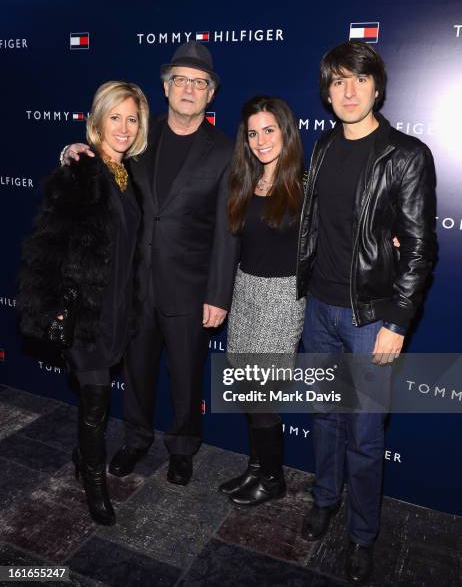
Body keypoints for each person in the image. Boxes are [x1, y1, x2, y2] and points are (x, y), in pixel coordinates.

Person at [61, 42, 239, 486]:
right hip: (134, 284)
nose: (189, 89)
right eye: (181, 80)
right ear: (165, 87)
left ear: (210, 95)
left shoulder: (225, 150)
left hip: (190, 287)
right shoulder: (138, 135)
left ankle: (182, 447)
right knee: (136, 372)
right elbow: (104, 160)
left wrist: (218, 294)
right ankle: (136, 438)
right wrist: (73, 152)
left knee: (185, 375)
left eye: (200, 83)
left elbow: (227, 229)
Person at [296, 41, 437, 584]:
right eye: (337, 82)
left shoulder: (405, 154)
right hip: (319, 311)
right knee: (325, 418)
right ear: (328, 92)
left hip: (370, 319)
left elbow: (421, 248)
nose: (347, 91)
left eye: (358, 80)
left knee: (366, 432)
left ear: (376, 86)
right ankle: (325, 499)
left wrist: (397, 323)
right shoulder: (324, 144)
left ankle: (362, 534)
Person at [18, 80, 150, 526]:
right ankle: (94, 482)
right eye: (115, 117)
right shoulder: (82, 169)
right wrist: (53, 306)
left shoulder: (130, 177)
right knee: (95, 401)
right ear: (96, 121)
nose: (124, 127)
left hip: (116, 310)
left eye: (132, 119)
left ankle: (83, 452)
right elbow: (50, 244)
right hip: (84, 312)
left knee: (97, 402)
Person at [219, 95, 306, 506]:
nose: (260, 140)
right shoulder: (246, 181)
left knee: (261, 394)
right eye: (253, 133)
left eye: (269, 130)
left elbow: (346, 229)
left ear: (285, 132)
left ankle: (272, 481)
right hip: (245, 290)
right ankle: (256, 469)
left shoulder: (304, 187)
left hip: (281, 297)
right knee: (247, 388)